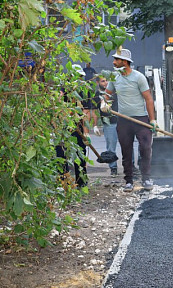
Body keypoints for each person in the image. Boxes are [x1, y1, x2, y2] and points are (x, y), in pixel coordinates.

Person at [101, 48, 157, 192]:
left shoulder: (139, 77)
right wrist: (104, 104)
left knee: (145, 148)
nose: (113, 62)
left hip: (141, 119)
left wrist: (152, 120)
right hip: (124, 120)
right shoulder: (114, 78)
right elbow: (107, 95)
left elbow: (149, 99)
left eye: (116, 60)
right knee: (126, 151)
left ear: (125, 62)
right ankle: (129, 181)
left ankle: (146, 178)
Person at [55, 64, 96, 188]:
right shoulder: (63, 88)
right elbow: (57, 102)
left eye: (81, 77)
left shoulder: (84, 90)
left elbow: (86, 112)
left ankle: (81, 180)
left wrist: (86, 132)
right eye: (76, 77)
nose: (79, 80)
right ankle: (63, 180)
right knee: (60, 153)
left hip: (78, 126)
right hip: (63, 126)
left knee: (80, 152)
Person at [94, 72, 120, 176]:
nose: (106, 83)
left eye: (107, 81)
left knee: (127, 144)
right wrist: (95, 125)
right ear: (98, 82)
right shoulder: (97, 95)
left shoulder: (114, 92)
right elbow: (95, 111)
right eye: (103, 81)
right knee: (110, 146)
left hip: (121, 121)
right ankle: (113, 167)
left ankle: (131, 166)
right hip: (109, 124)